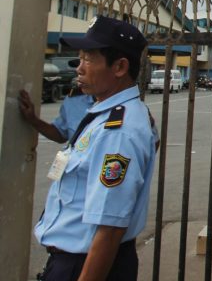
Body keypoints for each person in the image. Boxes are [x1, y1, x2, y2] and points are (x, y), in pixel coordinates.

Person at [34, 16, 156, 281]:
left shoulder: (118, 131)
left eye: (88, 58)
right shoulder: (102, 113)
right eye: (79, 58)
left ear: (120, 67)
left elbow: (109, 228)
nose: (79, 68)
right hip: (73, 262)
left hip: (87, 266)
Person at [19, 76, 94, 143]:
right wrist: (33, 119)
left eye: (88, 63)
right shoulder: (75, 100)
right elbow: (60, 134)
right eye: (80, 64)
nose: (79, 69)